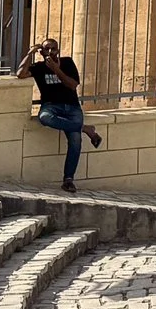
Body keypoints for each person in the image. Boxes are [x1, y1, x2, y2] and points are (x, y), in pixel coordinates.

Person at [17, 36, 100, 192]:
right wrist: (30, 53)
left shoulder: (67, 63)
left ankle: (68, 180)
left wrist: (56, 69)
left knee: (75, 141)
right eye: (46, 49)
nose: (50, 52)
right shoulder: (39, 67)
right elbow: (20, 73)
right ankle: (85, 128)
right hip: (51, 106)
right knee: (44, 118)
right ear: (42, 52)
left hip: (72, 107)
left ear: (58, 50)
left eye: (53, 49)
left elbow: (72, 85)